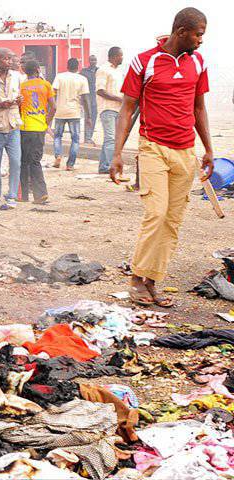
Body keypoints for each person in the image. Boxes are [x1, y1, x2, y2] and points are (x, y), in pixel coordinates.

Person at [110, 7, 213, 308]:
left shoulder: (199, 62)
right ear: (182, 31)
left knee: (172, 220)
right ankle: (136, 279)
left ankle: (152, 282)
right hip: (153, 147)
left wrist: (208, 149)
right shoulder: (145, 61)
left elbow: (199, 108)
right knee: (156, 213)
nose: (201, 40)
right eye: (198, 34)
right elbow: (127, 109)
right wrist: (117, 153)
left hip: (185, 152)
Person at [0, 47, 23, 209]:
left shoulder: (16, 77)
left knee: (16, 162)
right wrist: (1, 104)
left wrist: (19, 101)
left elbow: (21, 98)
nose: (10, 62)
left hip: (14, 125)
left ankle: (12, 196)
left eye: (11, 59)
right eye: (6, 59)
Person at [19, 59, 56, 204]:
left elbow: (19, 107)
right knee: (35, 161)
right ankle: (40, 194)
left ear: (25, 72)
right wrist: (46, 122)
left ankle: (22, 195)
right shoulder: (46, 85)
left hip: (25, 128)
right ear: (38, 70)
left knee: (23, 161)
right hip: (39, 128)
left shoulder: (22, 86)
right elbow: (53, 107)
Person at [52, 58, 90, 170]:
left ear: (67, 66)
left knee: (57, 136)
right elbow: (86, 98)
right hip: (74, 112)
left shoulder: (60, 76)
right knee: (75, 139)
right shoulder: (82, 79)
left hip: (60, 111)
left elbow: (53, 92)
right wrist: (88, 116)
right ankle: (70, 165)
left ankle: (58, 155)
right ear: (77, 67)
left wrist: (52, 107)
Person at [96, 47, 124, 174]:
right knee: (111, 138)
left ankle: (103, 166)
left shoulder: (119, 71)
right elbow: (100, 91)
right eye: (120, 56)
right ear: (114, 56)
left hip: (117, 109)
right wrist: (119, 99)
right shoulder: (103, 70)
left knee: (110, 139)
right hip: (107, 108)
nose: (122, 58)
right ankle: (109, 166)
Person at [81, 55, 99, 145]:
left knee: (94, 117)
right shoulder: (84, 72)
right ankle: (87, 138)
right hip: (87, 97)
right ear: (89, 61)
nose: (93, 62)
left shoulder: (99, 71)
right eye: (91, 60)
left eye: (95, 60)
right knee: (88, 116)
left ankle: (89, 137)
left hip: (97, 97)